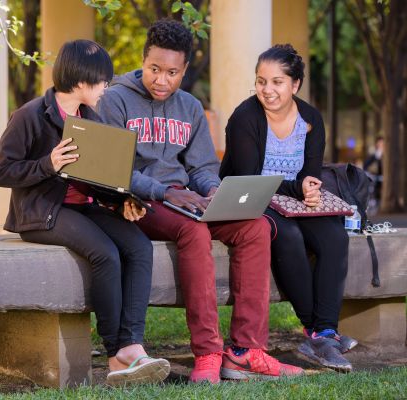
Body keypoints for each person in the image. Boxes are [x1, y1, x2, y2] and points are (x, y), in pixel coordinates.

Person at [97, 19, 303, 383]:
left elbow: (204, 168)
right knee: (194, 232)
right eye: (154, 69)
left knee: (255, 227)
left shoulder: (189, 107)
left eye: (172, 72)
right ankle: (208, 352)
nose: (162, 80)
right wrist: (164, 191)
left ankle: (245, 351)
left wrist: (211, 191)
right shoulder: (114, 99)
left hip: (186, 201)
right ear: (143, 60)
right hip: (141, 202)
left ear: (185, 70)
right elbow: (115, 170)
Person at [0, 39, 170, 386]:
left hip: (83, 208)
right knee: (106, 254)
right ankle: (116, 352)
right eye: (103, 81)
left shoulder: (90, 117)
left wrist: (122, 202)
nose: (106, 88)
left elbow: (98, 177)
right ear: (82, 80)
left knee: (139, 247)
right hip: (43, 213)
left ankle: (132, 344)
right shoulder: (30, 115)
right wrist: (48, 164)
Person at [219, 44, 356, 372]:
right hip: (251, 200)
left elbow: (311, 168)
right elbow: (251, 178)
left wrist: (309, 188)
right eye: (261, 81)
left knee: (336, 237)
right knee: (289, 235)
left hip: (293, 201)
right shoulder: (245, 117)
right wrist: (297, 187)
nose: (267, 90)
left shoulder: (310, 118)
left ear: (295, 85)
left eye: (277, 82)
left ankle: (325, 331)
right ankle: (315, 333)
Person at [364, 136, 383, 204]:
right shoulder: (375, 154)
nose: (381, 144)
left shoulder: (386, 154)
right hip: (375, 176)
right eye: (380, 143)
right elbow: (366, 165)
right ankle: (374, 200)